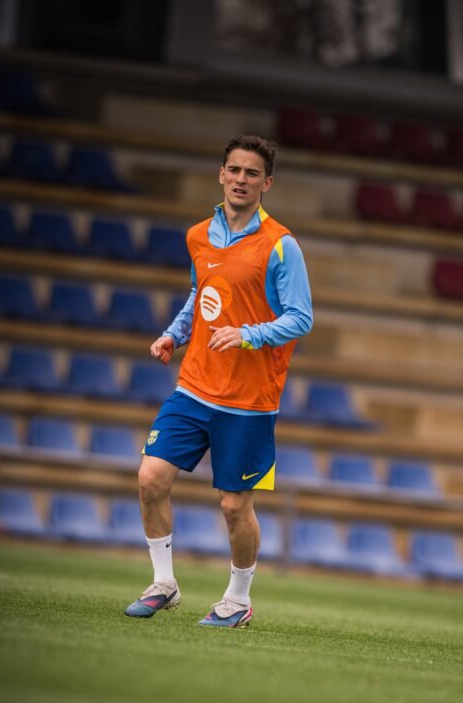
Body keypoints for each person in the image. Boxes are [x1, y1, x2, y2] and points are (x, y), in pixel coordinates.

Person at [125, 134, 313, 627]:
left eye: (252, 173)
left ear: (266, 183)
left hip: (250, 400)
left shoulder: (281, 245)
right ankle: (163, 583)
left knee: (234, 506)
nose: (241, 180)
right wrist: (173, 334)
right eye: (234, 170)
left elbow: (301, 318)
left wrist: (249, 334)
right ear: (221, 174)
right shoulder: (198, 236)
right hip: (194, 386)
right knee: (150, 478)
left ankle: (238, 598)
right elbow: (200, 295)